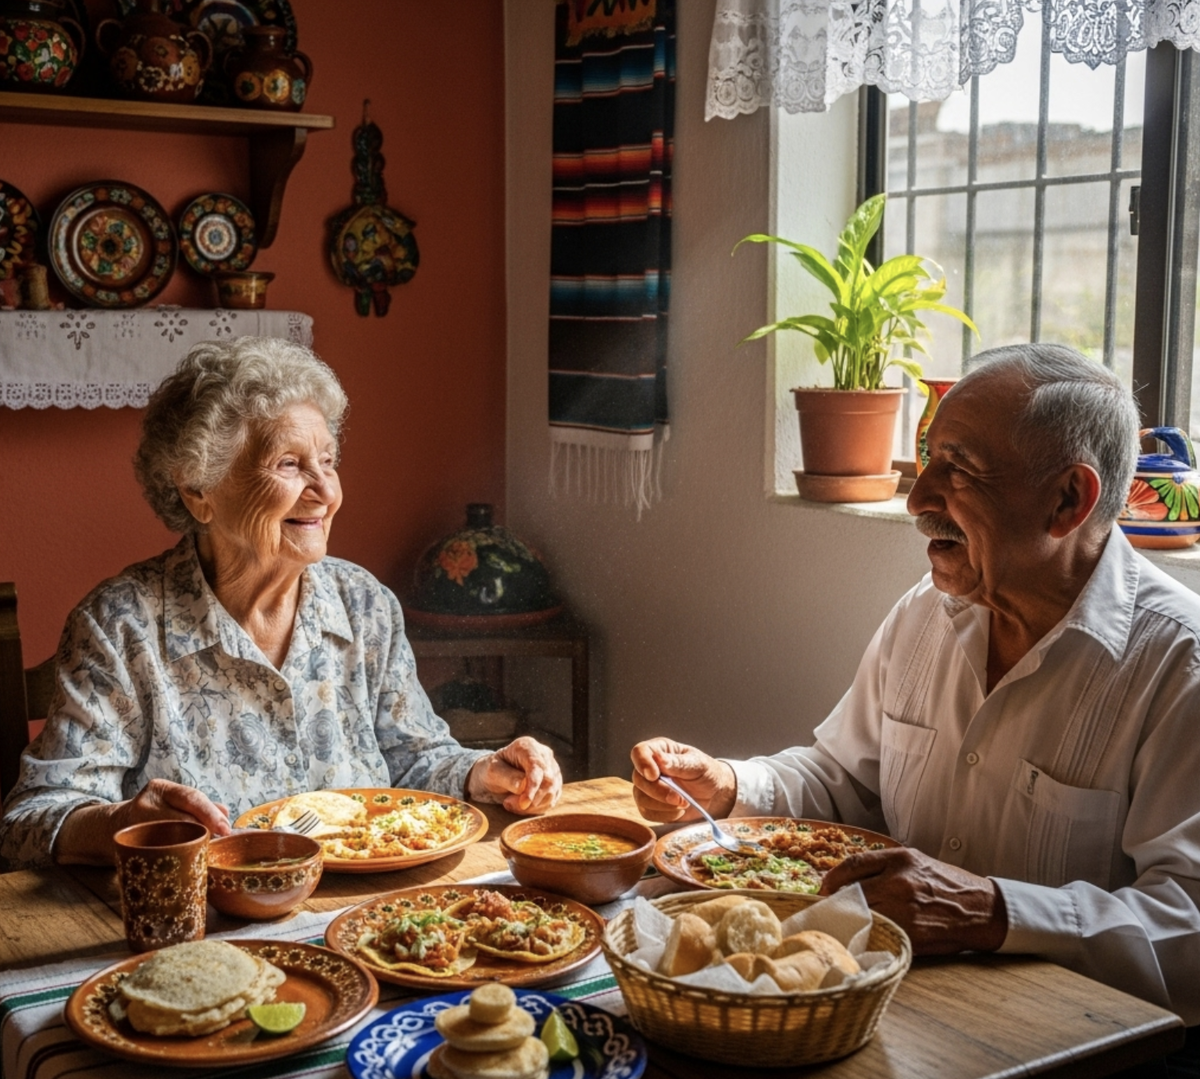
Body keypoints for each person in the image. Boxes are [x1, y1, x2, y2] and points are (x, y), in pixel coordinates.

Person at [632, 344, 1200, 1033]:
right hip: (894, 1009)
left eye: (957, 468)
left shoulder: (1178, 663)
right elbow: (844, 778)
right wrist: (727, 784)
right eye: (927, 458)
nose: (917, 497)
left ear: (1067, 498)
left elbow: (1187, 923)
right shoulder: (927, 612)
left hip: (1074, 1046)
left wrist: (992, 911)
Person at [0, 337, 562, 870]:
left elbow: (413, 761)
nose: (325, 490)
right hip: (204, 924)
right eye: (289, 465)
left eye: (328, 460)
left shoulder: (364, 605)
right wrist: (121, 824)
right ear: (198, 490)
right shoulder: (121, 627)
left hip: (360, 910)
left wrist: (486, 772)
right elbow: (28, 822)